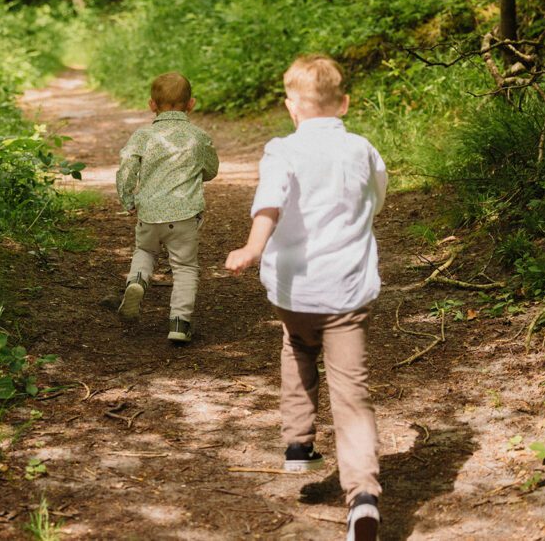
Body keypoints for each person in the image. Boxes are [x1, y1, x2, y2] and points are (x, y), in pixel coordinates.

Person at [225, 55, 387, 541]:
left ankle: (298, 444)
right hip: (346, 291)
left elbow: (268, 204)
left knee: (297, 346)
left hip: (293, 290)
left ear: (291, 106)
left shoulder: (282, 150)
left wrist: (253, 248)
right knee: (352, 395)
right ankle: (361, 497)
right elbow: (376, 198)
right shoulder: (361, 149)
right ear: (344, 103)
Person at [116, 72, 219, 343]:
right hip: (184, 214)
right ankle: (179, 324)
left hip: (149, 213)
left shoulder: (143, 136)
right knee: (185, 267)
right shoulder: (198, 136)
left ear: (152, 105)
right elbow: (210, 170)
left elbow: (127, 167)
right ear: (191, 104)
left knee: (145, 250)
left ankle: (137, 280)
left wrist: (128, 199)